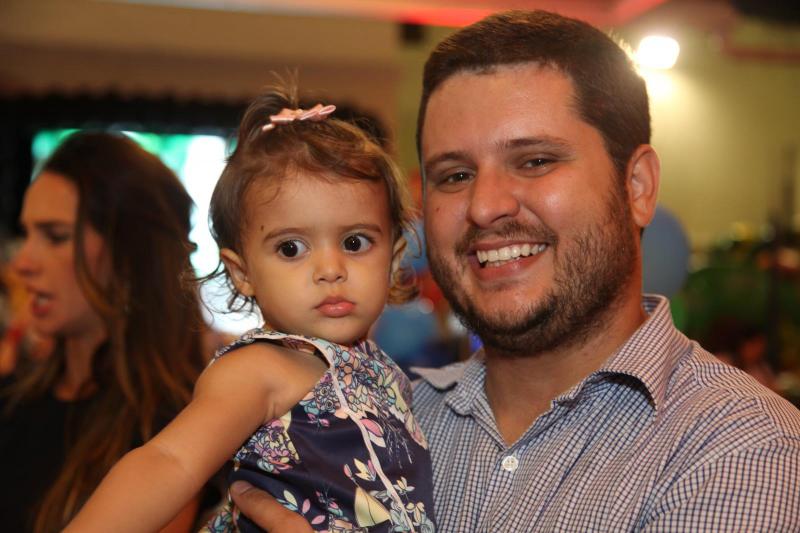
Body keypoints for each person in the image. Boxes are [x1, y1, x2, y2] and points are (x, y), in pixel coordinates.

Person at [231, 9, 800, 532]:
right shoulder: (382, 416)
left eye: (535, 161)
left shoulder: (739, 446)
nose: (485, 206)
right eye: (455, 176)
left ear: (637, 187)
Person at [64, 85, 436, 533]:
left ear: (393, 259)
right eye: (291, 248)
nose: (330, 269)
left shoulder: (381, 372)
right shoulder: (261, 368)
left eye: (355, 242)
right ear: (243, 273)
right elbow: (168, 460)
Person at [0, 131, 209, 532]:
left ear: (130, 255)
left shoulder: (174, 433)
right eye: (27, 234)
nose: (22, 262)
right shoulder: (12, 399)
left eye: (55, 237)